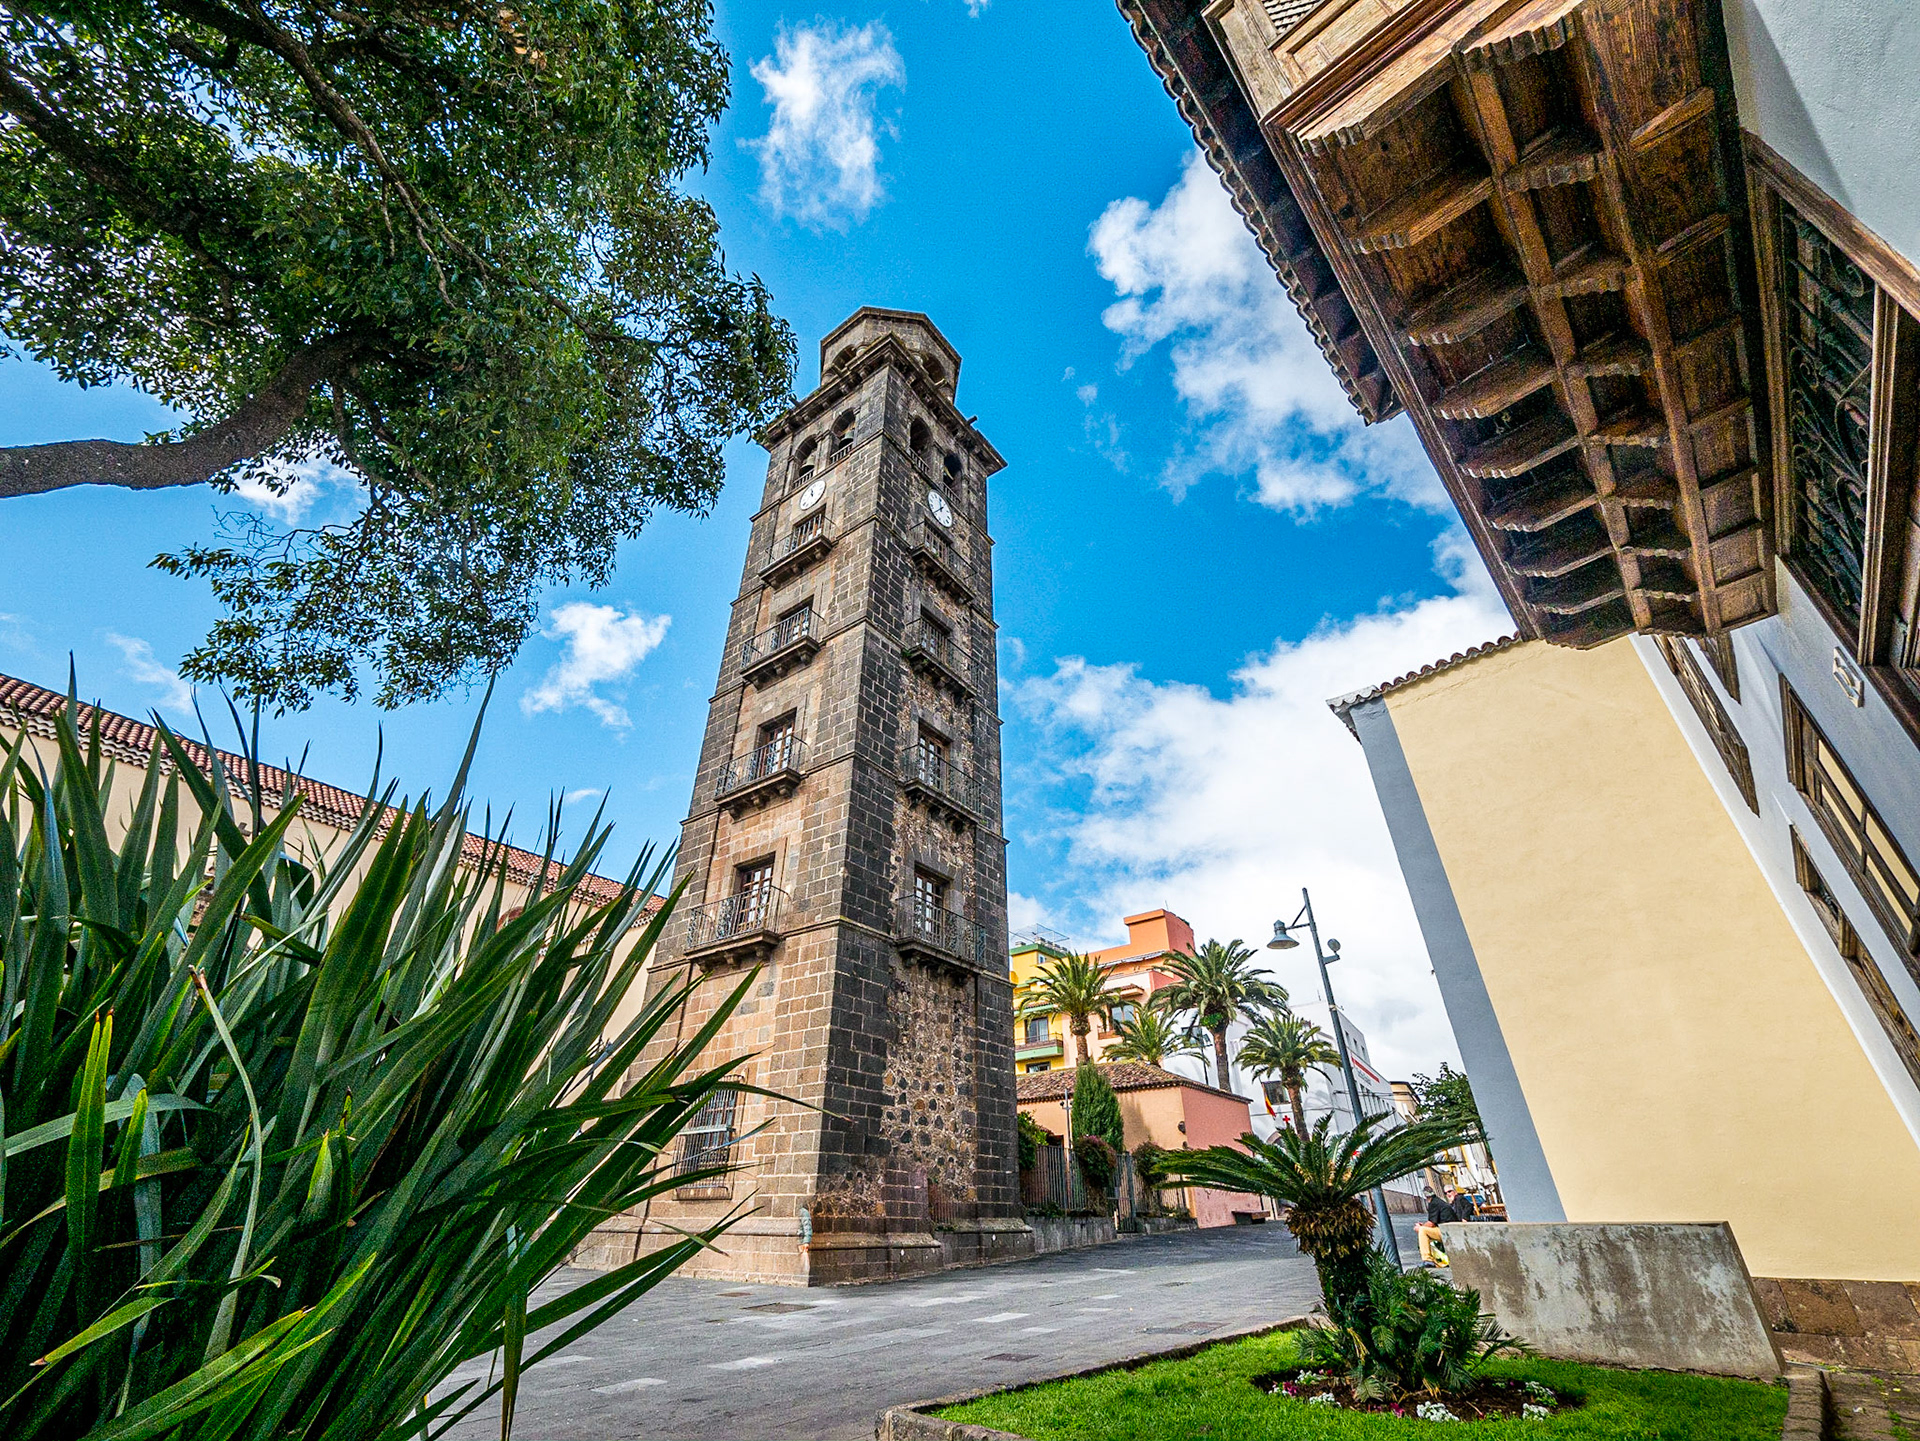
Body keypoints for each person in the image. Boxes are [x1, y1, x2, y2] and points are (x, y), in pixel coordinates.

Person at [1416, 1187, 1462, 1265]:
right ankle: (1436, 1259)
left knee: (1423, 1231)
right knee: (1424, 1231)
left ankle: (1427, 1259)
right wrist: (1423, 1225)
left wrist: (1420, 1227)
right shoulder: (1438, 1201)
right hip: (1450, 1229)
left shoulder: (1434, 1203)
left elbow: (1431, 1223)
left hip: (1447, 1232)